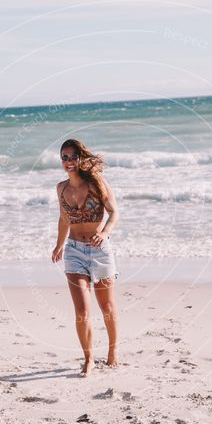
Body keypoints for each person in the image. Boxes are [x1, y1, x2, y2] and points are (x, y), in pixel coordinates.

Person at [51, 139, 120, 377]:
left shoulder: (97, 183)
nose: (68, 162)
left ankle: (112, 352)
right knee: (81, 312)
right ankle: (88, 358)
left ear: (80, 159)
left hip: (100, 251)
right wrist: (59, 245)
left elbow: (114, 212)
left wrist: (104, 233)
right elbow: (64, 220)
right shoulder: (60, 188)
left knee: (107, 307)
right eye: (64, 158)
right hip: (74, 251)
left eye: (72, 157)